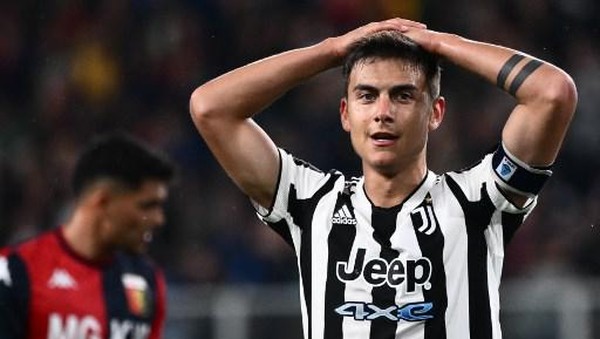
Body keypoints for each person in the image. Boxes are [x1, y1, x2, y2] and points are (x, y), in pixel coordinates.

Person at [189, 17, 577, 339]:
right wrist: (333, 50)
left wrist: (440, 43)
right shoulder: (310, 203)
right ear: (345, 113)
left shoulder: (478, 202)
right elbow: (211, 108)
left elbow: (552, 93)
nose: (383, 112)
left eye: (404, 95)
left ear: (435, 113)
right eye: (367, 95)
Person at [0, 132, 174, 339]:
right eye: (147, 206)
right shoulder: (14, 270)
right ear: (102, 201)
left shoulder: (147, 280)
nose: (158, 219)